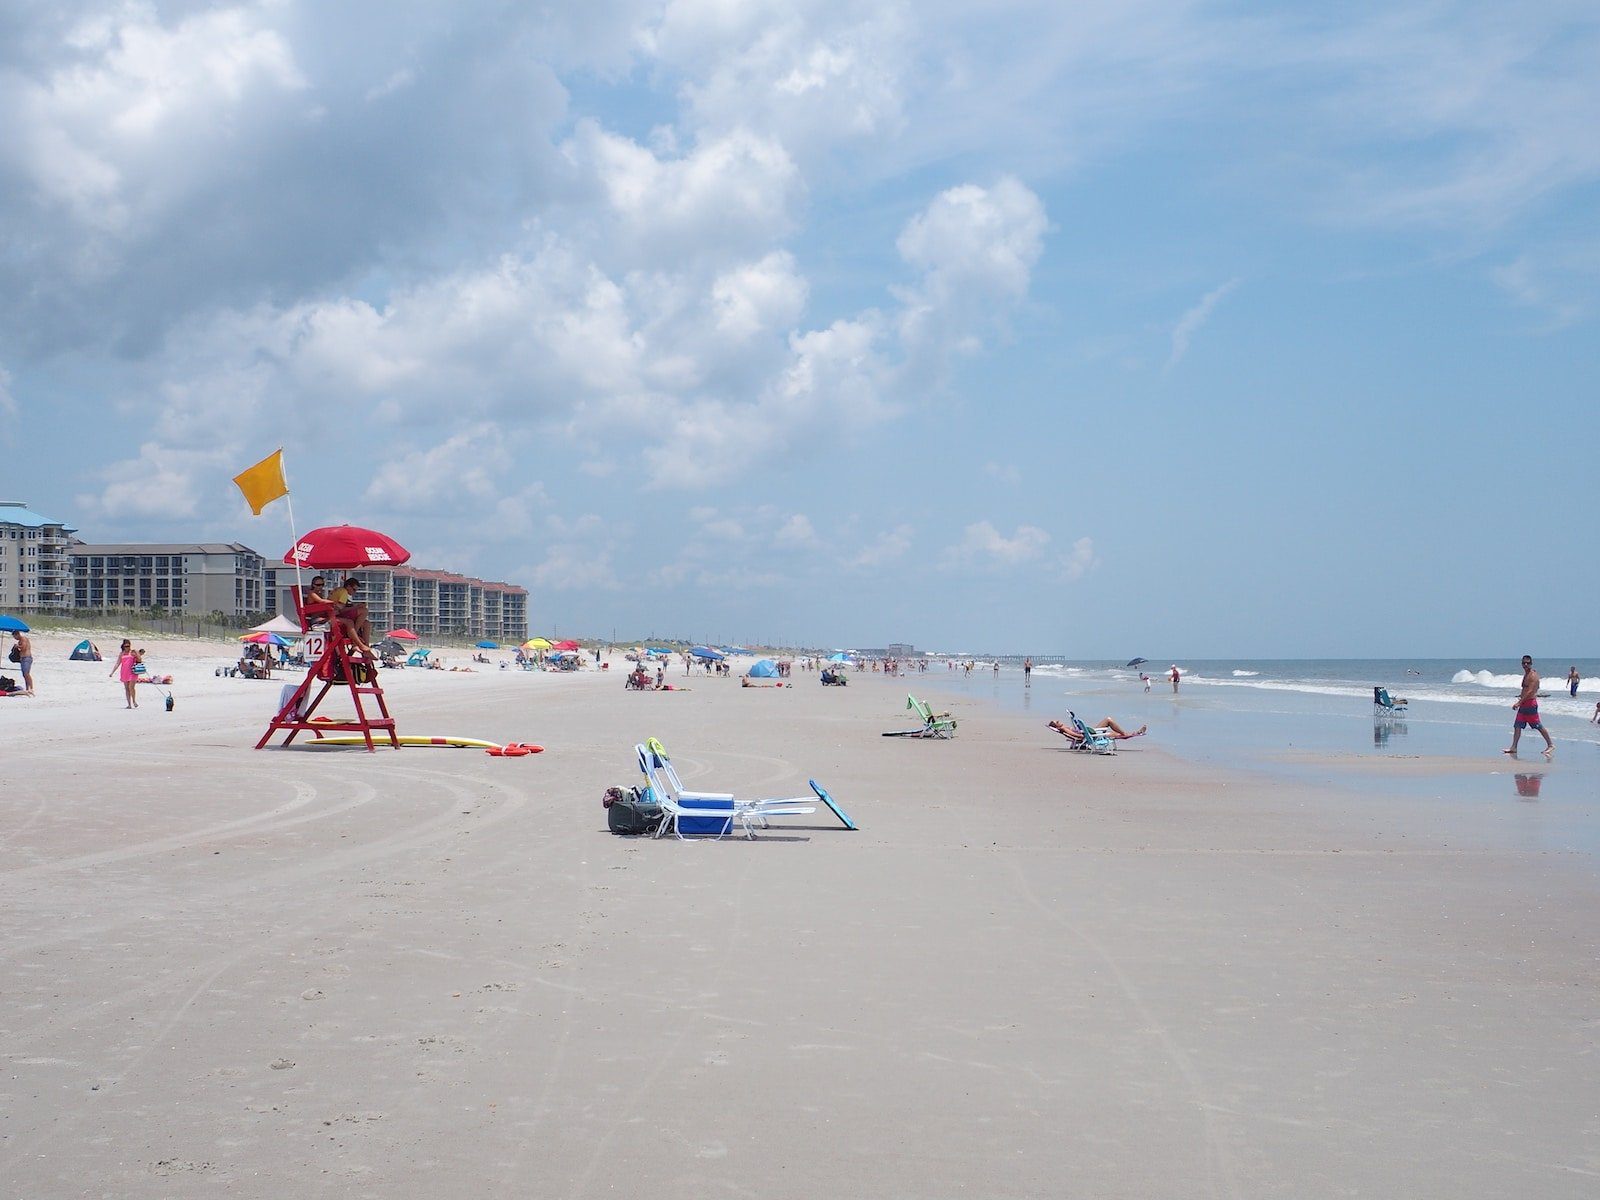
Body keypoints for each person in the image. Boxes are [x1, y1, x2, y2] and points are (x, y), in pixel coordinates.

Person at [1505, 654, 1554, 758]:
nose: (1525, 665)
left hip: (1530, 705)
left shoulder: (1532, 675)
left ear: (1531, 664)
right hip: (1523, 704)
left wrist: (1519, 702)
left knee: (1538, 726)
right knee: (1517, 725)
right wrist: (1520, 700)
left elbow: (1530, 691)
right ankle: (1514, 747)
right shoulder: (1526, 674)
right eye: (1523, 663)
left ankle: (1550, 745)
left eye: (1527, 663)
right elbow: (1525, 690)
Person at [329, 576, 375, 655]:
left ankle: (366, 648)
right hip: (335, 616)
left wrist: (354, 606)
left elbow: (341, 607)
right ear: (348, 586)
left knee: (367, 623)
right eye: (354, 589)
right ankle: (355, 636)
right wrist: (356, 607)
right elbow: (341, 610)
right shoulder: (344, 592)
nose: (354, 592)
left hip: (335, 614)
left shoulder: (339, 590)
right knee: (364, 611)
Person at [1049, 717, 1148, 744]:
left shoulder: (1063, 728)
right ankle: (1135, 733)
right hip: (1090, 735)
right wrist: (1084, 734)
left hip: (1089, 733)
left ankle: (1133, 733)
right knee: (1108, 721)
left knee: (1115, 730)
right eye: (1057, 721)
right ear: (1057, 726)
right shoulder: (1063, 728)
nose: (1059, 721)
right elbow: (1078, 736)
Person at [110, 638, 138, 708]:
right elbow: (117, 663)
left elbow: (139, 660)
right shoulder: (121, 654)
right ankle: (129, 704)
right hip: (124, 672)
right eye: (126, 646)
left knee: (131, 687)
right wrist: (112, 672)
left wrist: (137, 655)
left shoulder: (133, 652)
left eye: (128, 646)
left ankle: (134, 701)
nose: (127, 648)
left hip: (133, 672)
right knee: (126, 688)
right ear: (123, 646)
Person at [9, 629, 34, 696]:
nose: (14, 638)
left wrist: (17, 646)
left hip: (27, 658)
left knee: (27, 674)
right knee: (24, 675)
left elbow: (24, 648)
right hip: (22, 659)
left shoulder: (23, 639)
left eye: (14, 637)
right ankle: (27, 688)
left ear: (17, 634)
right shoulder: (20, 641)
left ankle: (31, 688)